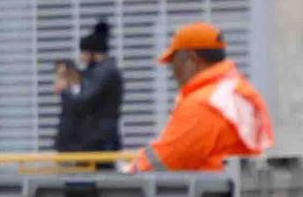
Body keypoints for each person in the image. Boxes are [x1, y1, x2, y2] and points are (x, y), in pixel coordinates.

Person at [125, 21, 273, 173]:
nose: (172, 73)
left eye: (173, 63)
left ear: (191, 59)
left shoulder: (205, 104)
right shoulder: (238, 92)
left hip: (210, 194)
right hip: (236, 189)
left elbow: (164, 161)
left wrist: (127, 175)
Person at [54, 20, 123, 156]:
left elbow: (84, 99)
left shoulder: (104, 72)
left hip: (99, 140)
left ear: (93, 53)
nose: (82, 58)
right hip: (94, 138)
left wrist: (65, 90)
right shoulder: (100, 71)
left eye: (83, 53)